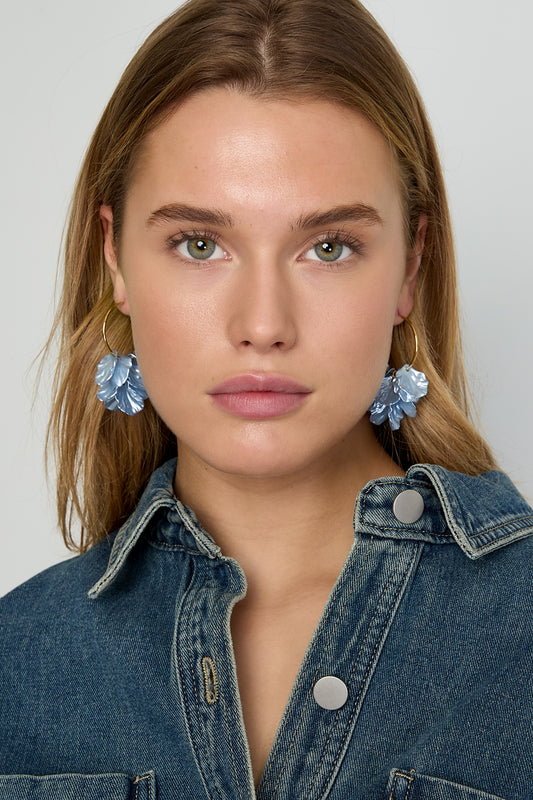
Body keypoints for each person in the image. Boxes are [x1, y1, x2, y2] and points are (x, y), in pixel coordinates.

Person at [1, 0, 531, 797]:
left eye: (328, 247)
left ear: (410, 266)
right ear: (113, 258)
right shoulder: (18, 665)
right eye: (199, 244)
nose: (262, 326)